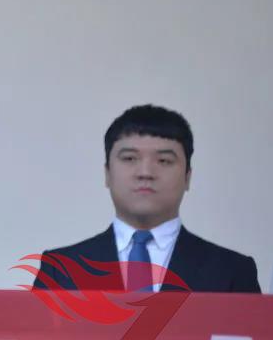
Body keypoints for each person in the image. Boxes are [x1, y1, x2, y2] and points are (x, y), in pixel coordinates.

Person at [35, 104, 260, 293]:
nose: (145, 173)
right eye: (130, 158)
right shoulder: (59, 270)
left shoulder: (233, 272)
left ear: (187, 177)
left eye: (163, 161)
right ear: (107, 174)